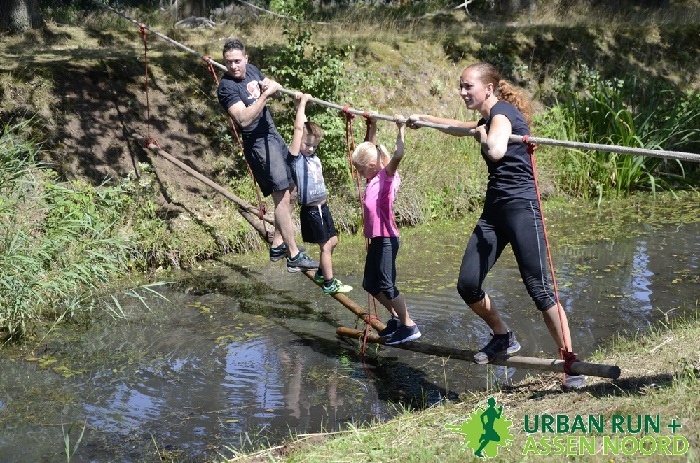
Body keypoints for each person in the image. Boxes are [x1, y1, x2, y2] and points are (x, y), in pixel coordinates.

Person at [408, 62, 585, 388]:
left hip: (521, 209)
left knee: (541, 289)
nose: (462, 92)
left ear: (488, 88)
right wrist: (425, 120)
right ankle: (503, 336)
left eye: (467, 87)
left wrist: (483, 135)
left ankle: (570, 362)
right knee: (467, 284)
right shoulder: (489, 117)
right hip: (494, 212)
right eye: (460, 86)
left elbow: (497, 149)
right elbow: (459, 126)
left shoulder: (501, 115)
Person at [217, 38, 318, 273]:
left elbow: (266, 84)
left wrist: (272, 85)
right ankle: (293, 255)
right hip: (257, 143)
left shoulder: (251, 70)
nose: (233, 66)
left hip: (271, 134)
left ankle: (278, 245)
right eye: (229, 62)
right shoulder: (226, 87)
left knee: (292, 189)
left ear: (246, 59)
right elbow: (242, 119)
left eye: (237, 61)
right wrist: (265, 96)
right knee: (281, 195)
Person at [351, 115, 421, 346]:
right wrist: (373, 125)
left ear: (371, 167)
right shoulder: (373, 177)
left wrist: (401, 128)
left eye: (361, 171)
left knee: (388, 285)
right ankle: (396, 318)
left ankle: (409, 325)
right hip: (376, 239)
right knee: (370, 284)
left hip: (387, 238)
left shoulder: (386, 177)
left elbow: (398, 154)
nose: (360, 176)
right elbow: (372, 147)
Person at [288, 93, 352, 295]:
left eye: (314, 146)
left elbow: (306, 128)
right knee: (325, 246)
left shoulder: (312, 155)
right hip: (311, 210)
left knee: (333, 242)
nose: (310, 148)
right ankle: (329, 283)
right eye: (307, 145)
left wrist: (301, 106)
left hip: (323, 207)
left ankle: (321, 273)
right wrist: (302, 105)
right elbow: (300, 130)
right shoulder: (296, 158)